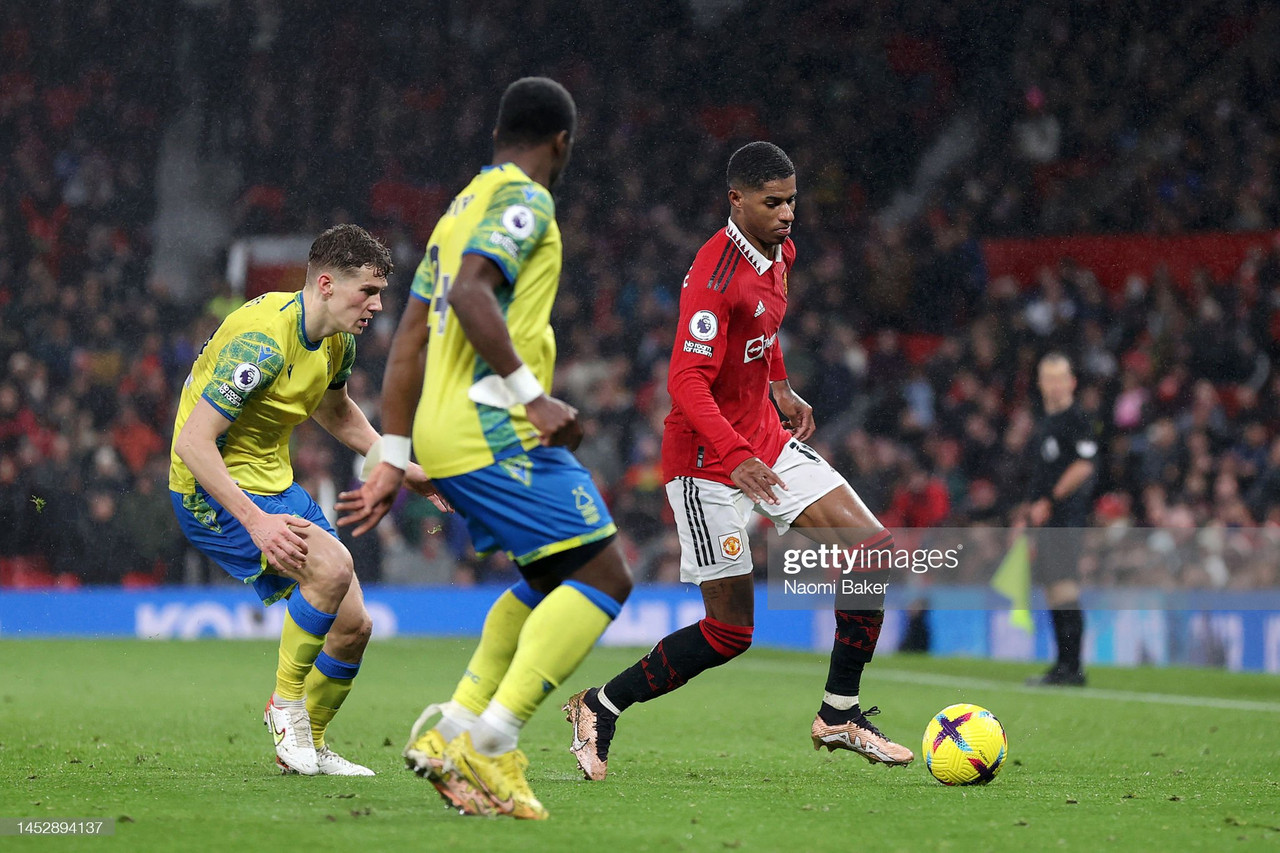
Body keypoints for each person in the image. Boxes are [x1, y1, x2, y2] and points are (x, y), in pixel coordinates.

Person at [562, 141, 913, 782]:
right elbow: (686, 382)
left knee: (873, 550)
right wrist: (734, 455)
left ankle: (840, 713)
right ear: (736, 201)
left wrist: (779, 385)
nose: (787, 214)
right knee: (729, 633)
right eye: (773, 203)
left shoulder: (780, 255)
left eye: (792, 201)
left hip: (764, 438)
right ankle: (601, 705)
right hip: (705, 460)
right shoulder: (714, 277)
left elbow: (764, 330)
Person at [336, 77, 633, 820]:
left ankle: (454, 730)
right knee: (606, 573)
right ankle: (494, 741)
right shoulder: (526, 201)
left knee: (546, 578)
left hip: (443, 429)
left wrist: (393, 453)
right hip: (491, 424)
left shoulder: (457, 209)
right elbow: (472, 295)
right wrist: (532, 394)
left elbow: (408, 337)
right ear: (561, 141)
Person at [169, 224, 444, 776]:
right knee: (333, 565)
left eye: (381, 292)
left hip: (273, 483)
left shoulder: (336, 340)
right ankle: (285, 706)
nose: (378, 304)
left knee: (354, 626)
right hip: (211, 487)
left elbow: (336, 411)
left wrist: (403, 467)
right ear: (325, 284)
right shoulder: (263, 343)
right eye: (367, 291)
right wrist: (256, 523)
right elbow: (193, 442)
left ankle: (309, 745)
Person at [1021, 352, 1099, 686]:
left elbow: (1084, 464)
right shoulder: (1046, 422)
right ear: (1040, 383)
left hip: (1064, 517)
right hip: (1046, 520)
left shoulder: (1075, 418)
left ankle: (1073, 668)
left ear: (1072, 382)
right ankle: (1062, 666)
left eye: (1059, 377)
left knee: (1065, 587)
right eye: (1047, 378)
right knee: (1054, 589)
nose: (1053, 385)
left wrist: (1049, 501)